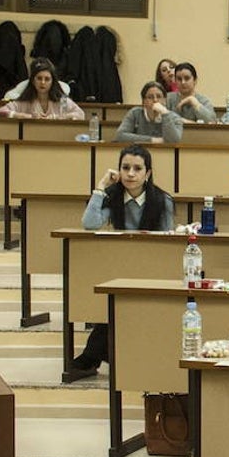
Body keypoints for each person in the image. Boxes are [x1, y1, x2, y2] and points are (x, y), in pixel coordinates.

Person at [70, 144, 175, 377]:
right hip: (121, 266)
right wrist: (100, 187)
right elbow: (90, 223)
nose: (130, 173)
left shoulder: (162, 200)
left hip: (153, 268)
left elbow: (169, 240)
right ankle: (96, 356)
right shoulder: (113, 196)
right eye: (125, 167)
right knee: (112, 300)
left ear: (147, 173)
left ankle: (92, 357)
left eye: (137, 168)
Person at [3, 58, 84, 119]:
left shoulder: (62, 100)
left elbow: (81, 115)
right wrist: (27, 116)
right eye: (39, 78)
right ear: (33, 81)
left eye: (47, 79)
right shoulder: (25, 100)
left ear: (53, 82)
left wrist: (58, 117)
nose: (43, 82)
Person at [114, 81, 184, 144]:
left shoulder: (174, 117)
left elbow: (174, 141)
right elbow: (120, 136)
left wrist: (165, 114)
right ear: (143, 101)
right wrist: (152, 140)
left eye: (159, 96)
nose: (155, 100)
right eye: (150, 97)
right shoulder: (135, 114)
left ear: (165, 100)